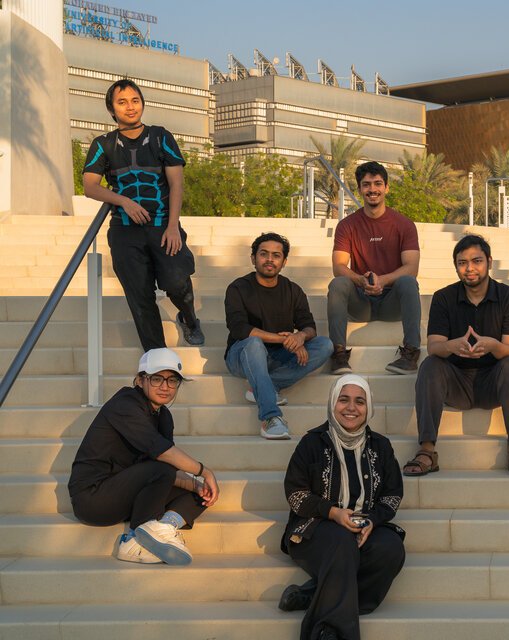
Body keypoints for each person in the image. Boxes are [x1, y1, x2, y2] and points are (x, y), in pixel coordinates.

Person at [279, 374, 405, 640]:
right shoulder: (312, 443)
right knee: (341, 542)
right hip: (315, 529)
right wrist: (333, 512)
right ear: (332, 403)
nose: (351, 408)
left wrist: (372, 520)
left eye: (360, 401)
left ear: (368, 407)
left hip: (363, 526)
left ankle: (313, 595)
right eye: (343, 399)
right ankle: (329, 630)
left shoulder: (381, 446)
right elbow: (296, 494)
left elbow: (392, 495)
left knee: (390, 548)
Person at [82, 79, 204, 352]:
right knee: (139, 295)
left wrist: (173, 226)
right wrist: (123, 201)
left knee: (176, 281)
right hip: (125, 230)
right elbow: (90, 186)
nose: (130, 107)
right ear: (111, 110)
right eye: (122, 102)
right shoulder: (103, 144)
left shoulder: (161, 137)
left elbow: (176, 184)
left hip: (162, 224)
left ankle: (189, 318)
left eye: (135, 100)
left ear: (142, 103)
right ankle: (157, 357)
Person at [68, 348, 219, 566]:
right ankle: (133, 542)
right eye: (157, 379)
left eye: (172, 380)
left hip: (126, 495)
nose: (165, 387)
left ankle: (163, 528)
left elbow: (165, 468)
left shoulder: (163, 416)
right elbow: (163, 455)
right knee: (165, 468)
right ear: (140, 380)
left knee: (201, 494)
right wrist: (205, 472)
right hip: (93, 499)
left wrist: (198, 485)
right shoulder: (125, 404)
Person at [404, 234, 509, 477]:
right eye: (462, 263)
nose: (470, 268)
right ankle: (427, 450)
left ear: (489, 262)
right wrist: (452, 346)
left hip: (494, 382)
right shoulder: (443, 297)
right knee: (430, 365)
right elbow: (434, 346)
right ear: (456, 266)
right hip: (456, 382)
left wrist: (492, 345)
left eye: (477, 261)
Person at [224, 233, 334, 440]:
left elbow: (309, 327)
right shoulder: (238, 288)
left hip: (279, 357)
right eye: (263, 254)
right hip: (242, 357)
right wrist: (285, 339)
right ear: (253, 258)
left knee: (325, 345)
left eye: (276, 255)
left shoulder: (293, 290)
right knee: (254, 343)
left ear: (284, 262)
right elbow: (240, 329)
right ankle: (270, 417)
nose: (269, 259)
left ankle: (266, 385)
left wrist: (300, 336)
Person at [327, 161, 421, 375]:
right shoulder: (347, 225)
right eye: (366, 184)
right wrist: (361, 280)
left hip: (392, 303)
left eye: (378, 183)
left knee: (408, 282)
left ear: (386, 188)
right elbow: (338, 266)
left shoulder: (404, 224)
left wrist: (383, 280)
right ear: (360, 189)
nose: (372, 189)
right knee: (338, 283)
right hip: (361, 302)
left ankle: (411, 353)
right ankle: (338, 355)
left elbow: (412, 267)